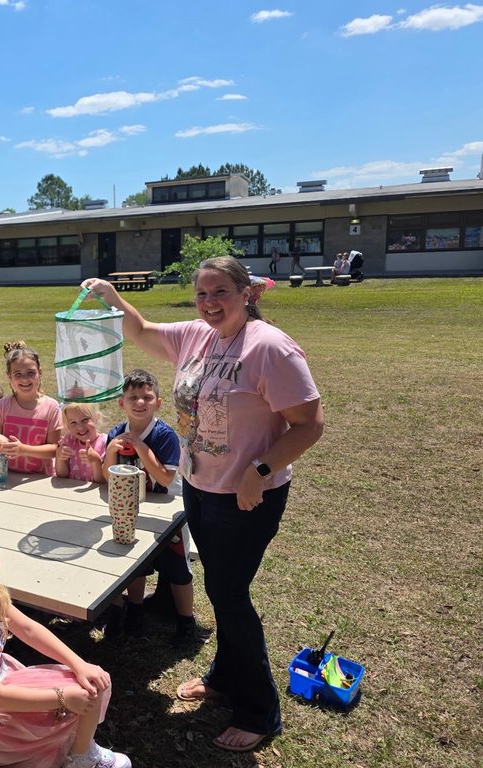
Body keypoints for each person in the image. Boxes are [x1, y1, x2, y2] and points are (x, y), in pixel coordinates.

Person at [82, 256, 323, 753]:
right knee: (222, 588)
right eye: (202, 294)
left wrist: (259, 472)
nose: (210, 303)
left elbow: (309, 423)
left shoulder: (270, 347)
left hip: (246, 495)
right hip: (199, 486)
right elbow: (144, 329)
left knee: (230, 595)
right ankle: (223, 679)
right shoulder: (196, 335)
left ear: (247, 293)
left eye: (221, 292)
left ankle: (260, 710)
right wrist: (112, 296)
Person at [0, 517, 131, 768]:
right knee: (78, 697)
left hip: (1, 679)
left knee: (92, 681)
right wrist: (62, 697)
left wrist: (79, 663)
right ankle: (79, 760)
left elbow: (28, 628)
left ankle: (80, 752)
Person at [101, 370, 194, 641]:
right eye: (133, 397)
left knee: (178, 566)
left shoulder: (164, 435)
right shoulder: (117, 433)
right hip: (133, 506)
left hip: (168, 508)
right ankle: (135, 610)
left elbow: (166, 476)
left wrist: (142, 448)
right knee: (135, 564)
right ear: (122, 402)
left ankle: (186, 622)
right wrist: (109, 451)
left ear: (158, 402)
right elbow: (109, 475)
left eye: (147, 397)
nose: (140, 402)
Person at [0, 341, 62, 476]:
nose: (25, 379)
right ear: (9, 376)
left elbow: (55, 449)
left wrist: (23, 450)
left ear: (40, 373)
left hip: (41, 479)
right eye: (18, 374)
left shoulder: (52, 407)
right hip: (7, 477)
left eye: (30, 373)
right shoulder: (2, 406)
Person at [55, 403, 106, 483]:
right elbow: (62, 475)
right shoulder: (69, 440)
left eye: (85, 420)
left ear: (97, 417)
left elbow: (101, 481)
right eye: (73, 422)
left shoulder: (105, 442)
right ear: (67, 425)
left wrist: (96, 461)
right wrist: (59, 457)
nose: (80, 427)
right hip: (69, 491)